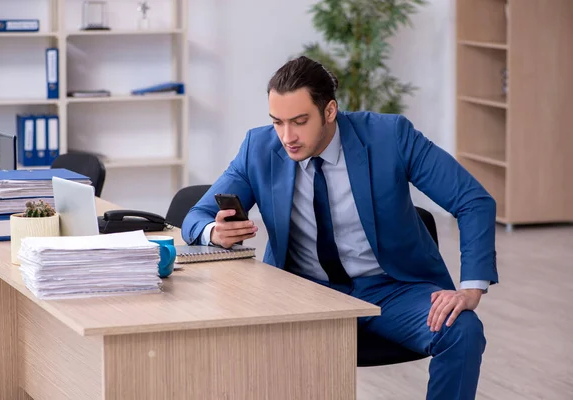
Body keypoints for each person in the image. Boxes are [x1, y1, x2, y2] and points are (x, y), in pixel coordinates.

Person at [182, 56, 498, 400]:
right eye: (278, 122)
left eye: (300, 121)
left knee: (462, 331)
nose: (287, 136)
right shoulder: (259, 148)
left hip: (390, 290)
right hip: (302, 294)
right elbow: (197, 215)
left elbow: (472, 200)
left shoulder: (390, 136)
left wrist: (471, 290)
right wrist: (214, 231)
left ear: (329, 111)